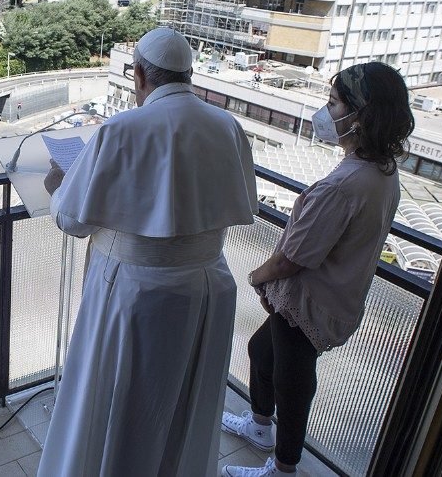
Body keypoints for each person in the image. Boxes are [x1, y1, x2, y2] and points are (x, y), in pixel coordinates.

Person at [39, 27, 258, 476]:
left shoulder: (121, 128)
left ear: (139, 74)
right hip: (208, 286)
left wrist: (59, 189)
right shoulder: (227, 125)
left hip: (136, 295)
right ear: (188, 74)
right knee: (185, 405)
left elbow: (74, 222)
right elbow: (244, 203)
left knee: (124, 407)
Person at [221, 62, 415, 477]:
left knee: (293, 384)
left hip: (308, 305)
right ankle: (259, 427)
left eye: (333, 104)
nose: (325, 113)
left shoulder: (343, 186)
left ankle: (283, 467)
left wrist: (256, 277)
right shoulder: (381, 172)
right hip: (327, 299)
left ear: (359, 118)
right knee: (262, 353)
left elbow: (293, 257)